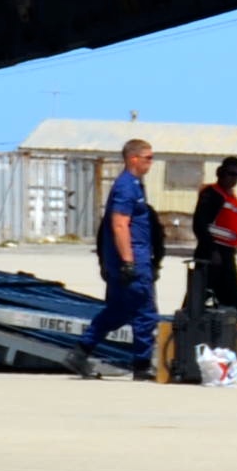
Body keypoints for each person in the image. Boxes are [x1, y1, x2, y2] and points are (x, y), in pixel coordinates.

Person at [74, 138, 161, 380]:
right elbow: (119, 224)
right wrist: (128, 261)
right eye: (148, 158)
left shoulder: (134, 184)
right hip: (132, 258)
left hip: (134, 257)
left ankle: (82, 351)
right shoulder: (126, 186)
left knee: (122, 310)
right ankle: (142, 366)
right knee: (144, 311)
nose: (151, 163)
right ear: (133, 158)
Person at [192, 157, 237, 315]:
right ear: (221, 173)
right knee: (198, 297)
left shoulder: (231, 198)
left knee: (232, 300)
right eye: (230, 174)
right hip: (212, 252)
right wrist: (212, 251)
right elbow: (200, 225)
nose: (234, 179)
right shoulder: (212, 194)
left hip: (227, 253)